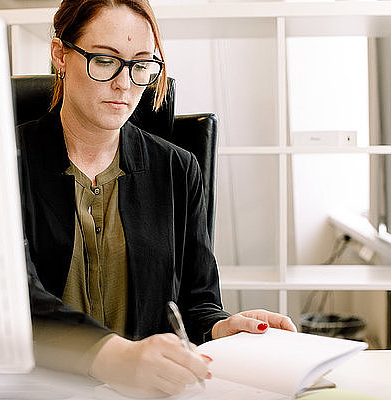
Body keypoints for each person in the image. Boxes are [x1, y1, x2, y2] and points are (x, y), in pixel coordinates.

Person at [17, 0, 297, 397]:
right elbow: (12, 300)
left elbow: (197, 302)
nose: (124, 83)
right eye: (105, 60)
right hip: (36, 388)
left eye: (141, 64)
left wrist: (222, 328)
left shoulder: (178, 168)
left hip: (147, 392)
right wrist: (112, 356)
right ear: (60, 54)